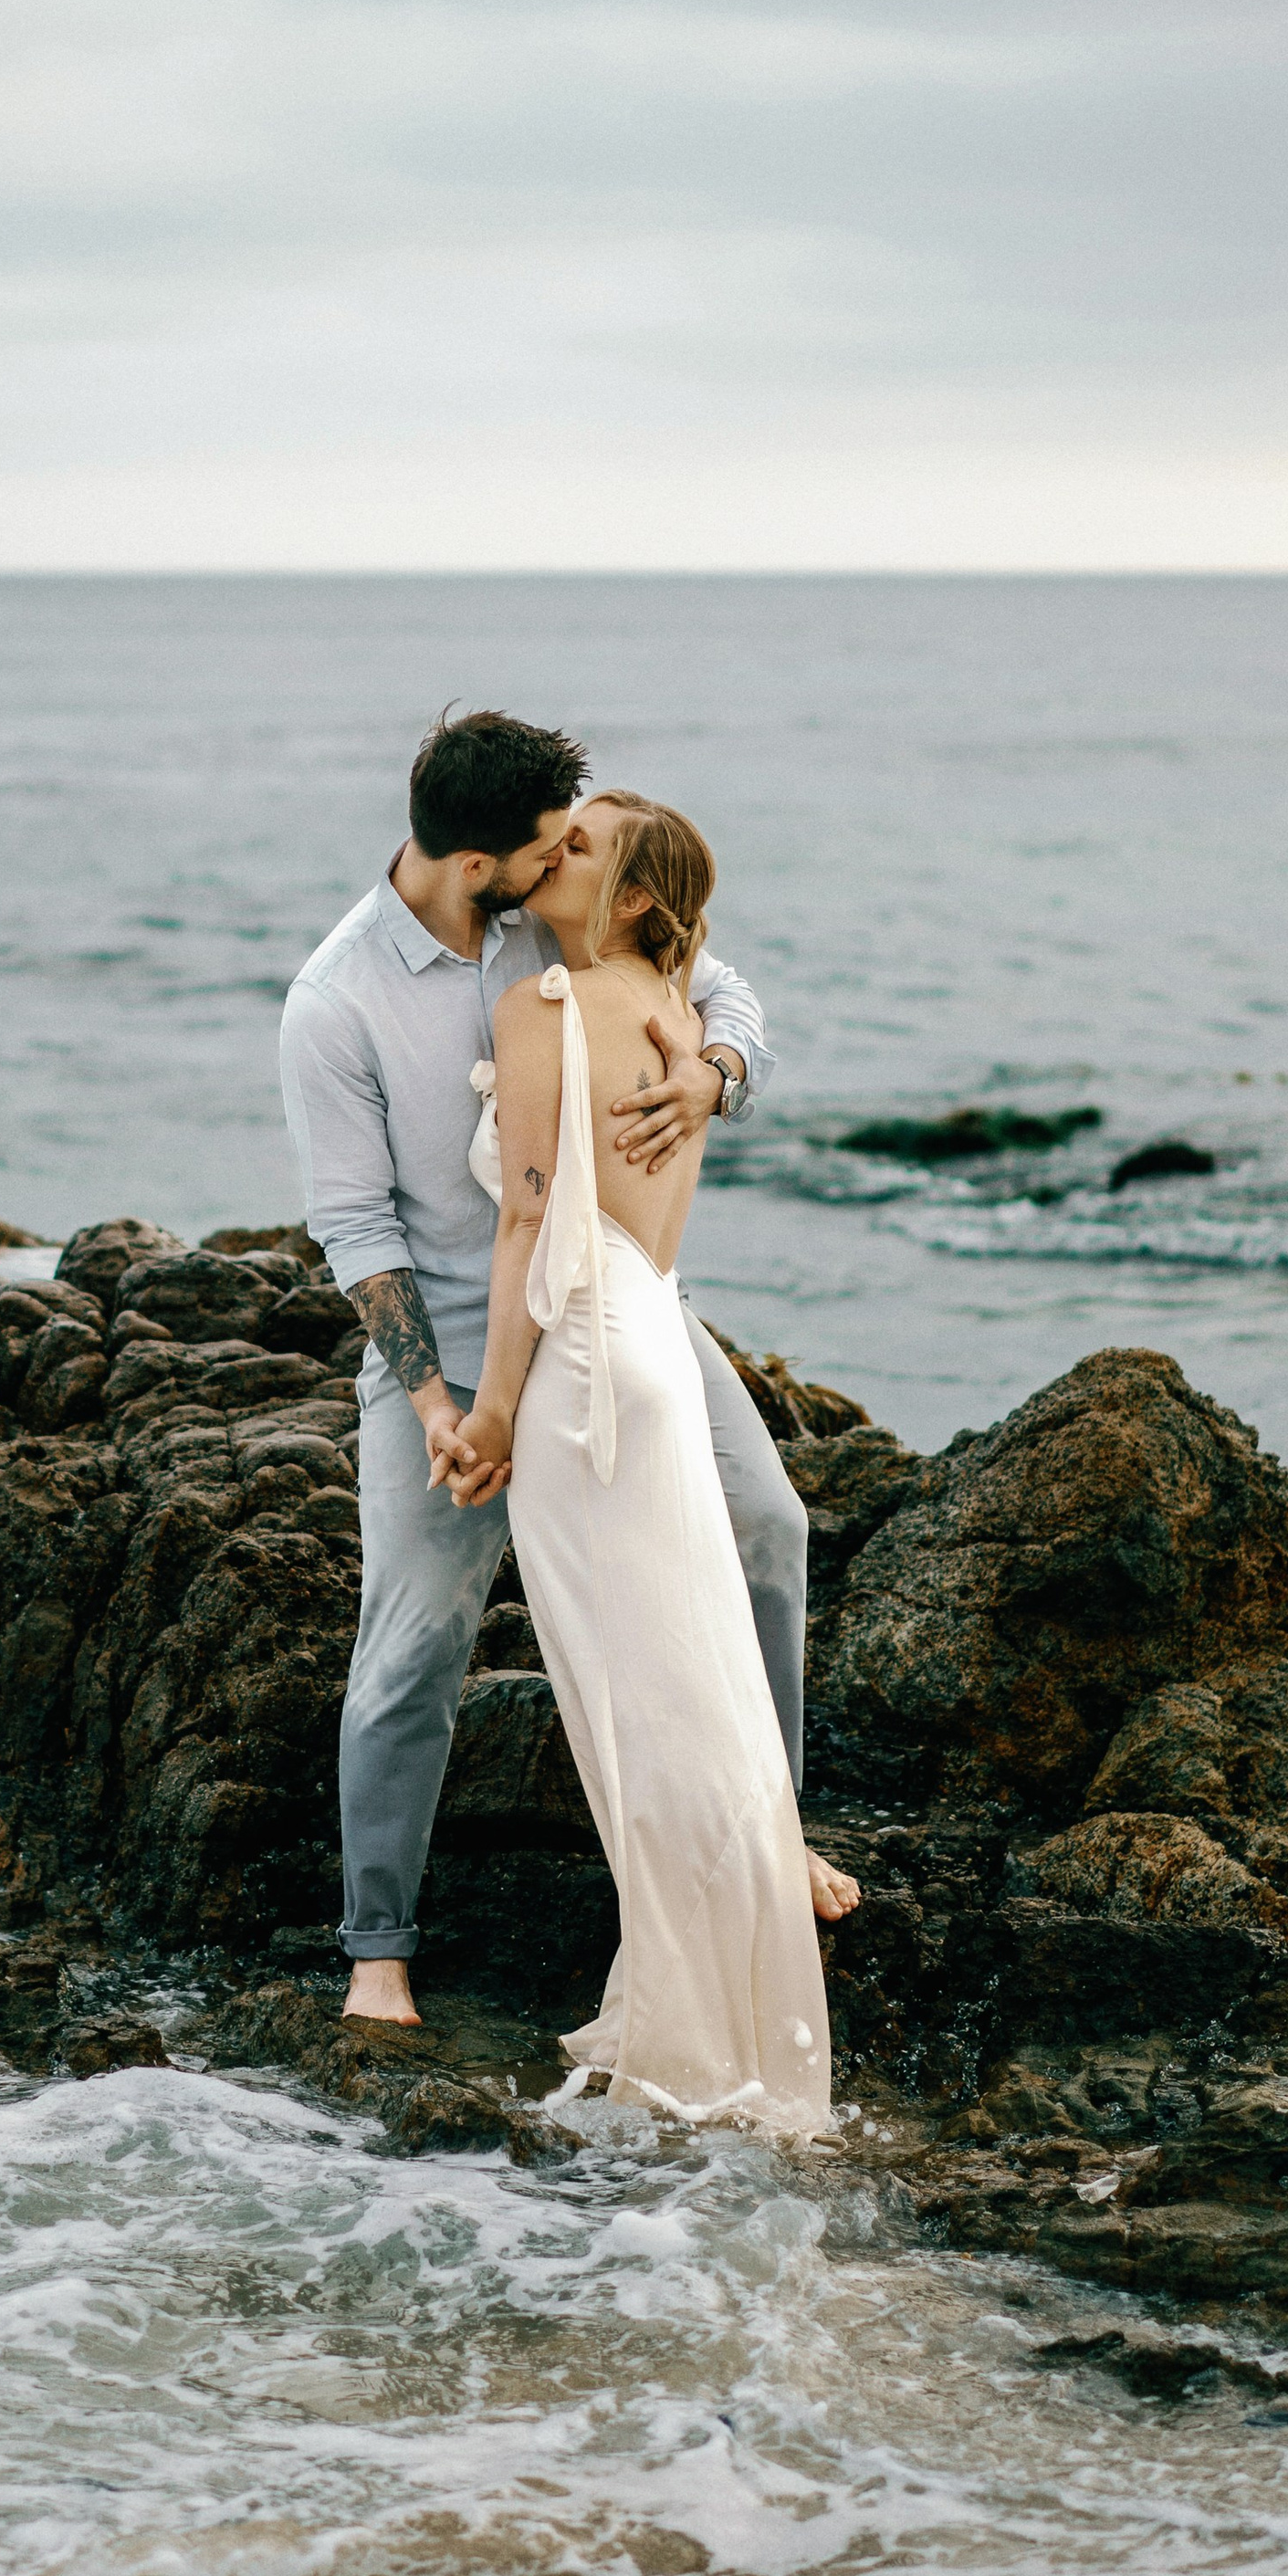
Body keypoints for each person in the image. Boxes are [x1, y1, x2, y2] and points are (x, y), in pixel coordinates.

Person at [278, 708, 831, 2030]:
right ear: (481, 864)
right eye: (542, 846)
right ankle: (378, 1949)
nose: (559, 859)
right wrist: (437, 1405)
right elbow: (357, 1231)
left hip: (621, 1310)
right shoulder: (336, 1002)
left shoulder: (557, 914)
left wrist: (714, 1074)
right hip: (460, 1351)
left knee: (770, 1527)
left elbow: (721, 980)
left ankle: (771, 1836)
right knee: (415, 1639)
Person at [443, 793, 857, 2123]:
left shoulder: (547, 1011)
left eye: (586, 846)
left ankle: (684, 2021)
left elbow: (525, 1226)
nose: (557, 849)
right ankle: (724, 1970)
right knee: (698, 1676)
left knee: (630, 1697)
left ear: (629, 897)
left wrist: (493, 1407)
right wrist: (717, 1066)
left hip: (582, 1366)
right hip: (655, 1342)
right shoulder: (673, 1016)